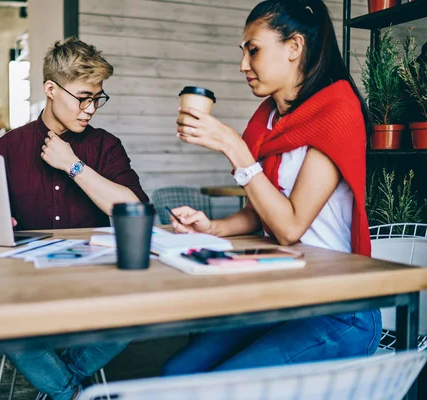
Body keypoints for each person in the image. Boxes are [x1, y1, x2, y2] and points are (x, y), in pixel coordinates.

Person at [162, 0, 381, 376]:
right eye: (243, 52)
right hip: (285, 294)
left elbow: (289, 226)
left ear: (294, 47)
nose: (243, 65)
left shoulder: (337, 111)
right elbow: (261, 211)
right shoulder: (269, 118)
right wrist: (211, 228)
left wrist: (235, 148)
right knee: (176, 371)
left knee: (215, 385)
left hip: (339, 306)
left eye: (254, 50)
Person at [0, 37, 148, 399]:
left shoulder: (105, 146)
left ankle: (60, 384)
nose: (91, 108)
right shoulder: (6, 149)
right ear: (50, 89)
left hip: (94, 284)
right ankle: (73, 393)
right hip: (26, 288)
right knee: (3, 323)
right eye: (82, 97)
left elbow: (134, 210)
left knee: (140, 310)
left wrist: (73, 166)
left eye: (97, 98)